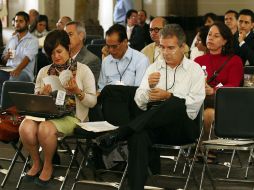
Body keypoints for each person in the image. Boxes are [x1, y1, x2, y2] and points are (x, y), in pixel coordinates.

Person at [97, 24, 205, 190]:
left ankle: (122, 132)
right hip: (154, 125)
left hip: (182, 128)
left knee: (175, 103)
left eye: (171, 48)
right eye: (162, 47)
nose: (165, 52)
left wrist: (168, 97)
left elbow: (194, 106)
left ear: (183, 47)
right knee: (138, 136)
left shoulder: (194, 69)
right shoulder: (154, 68)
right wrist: (148, 90)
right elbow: (139, 101)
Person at [19, 29, 97, 187]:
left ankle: (48, 165)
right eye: (51, 53)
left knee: (45, 129)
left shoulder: (83, 70)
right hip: (47, 114)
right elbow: (35, 99)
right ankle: (36, 162)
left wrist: (77, 92)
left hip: (72, 116)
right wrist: (42, 95)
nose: (56, 56)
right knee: (25, 127)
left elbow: (92, 102)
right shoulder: (44, 71)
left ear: (68, 48)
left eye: (59, 51)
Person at [195, 22, 243, 146]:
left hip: (225, 103)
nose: (210, 38)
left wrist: (214, 90)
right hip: (199, 100)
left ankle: (206, 149)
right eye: (209, 35)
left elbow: (234, 85)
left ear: (225, 41)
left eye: (216, 36)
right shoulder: (198, 60)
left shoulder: (235, 60)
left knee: (209, 114)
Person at [98, 23, 149, 93]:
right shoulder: (106, 61)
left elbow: (140, 91)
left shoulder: (141, 60)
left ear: (125, 42)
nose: (110, 50)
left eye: (114, 46)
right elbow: (101, 88)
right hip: (109, 101)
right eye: (108, 46)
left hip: (131, 101)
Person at [0, 11, 38, 93]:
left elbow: (27, 58)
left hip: (24, 72)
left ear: (27, 23)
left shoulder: (33, 40)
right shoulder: (11, 39)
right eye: (16, 21)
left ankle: (7, 105)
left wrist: (17, 69)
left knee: (13, 79)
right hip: (9, 69)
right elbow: (3, 59)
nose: (17, 23)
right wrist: (6, 57)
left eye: (21, 21)